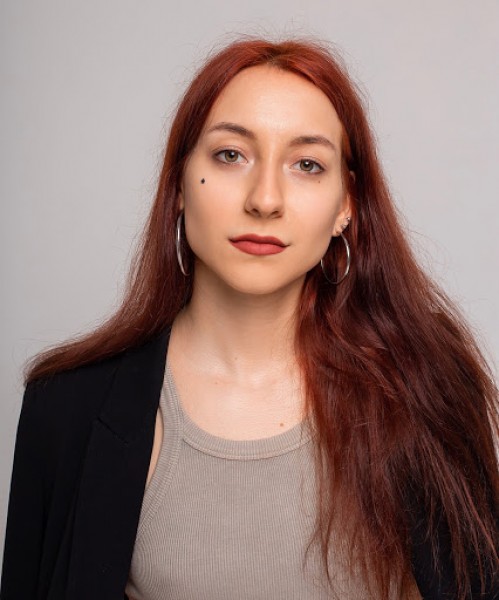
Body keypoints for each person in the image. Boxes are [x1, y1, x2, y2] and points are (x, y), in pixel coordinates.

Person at [1, 37, 498, 600]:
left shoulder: (428, 383)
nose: (265, 200)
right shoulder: (65, 408)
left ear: (346, 204)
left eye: (307, 165)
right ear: (179, 183)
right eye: (231, 155)